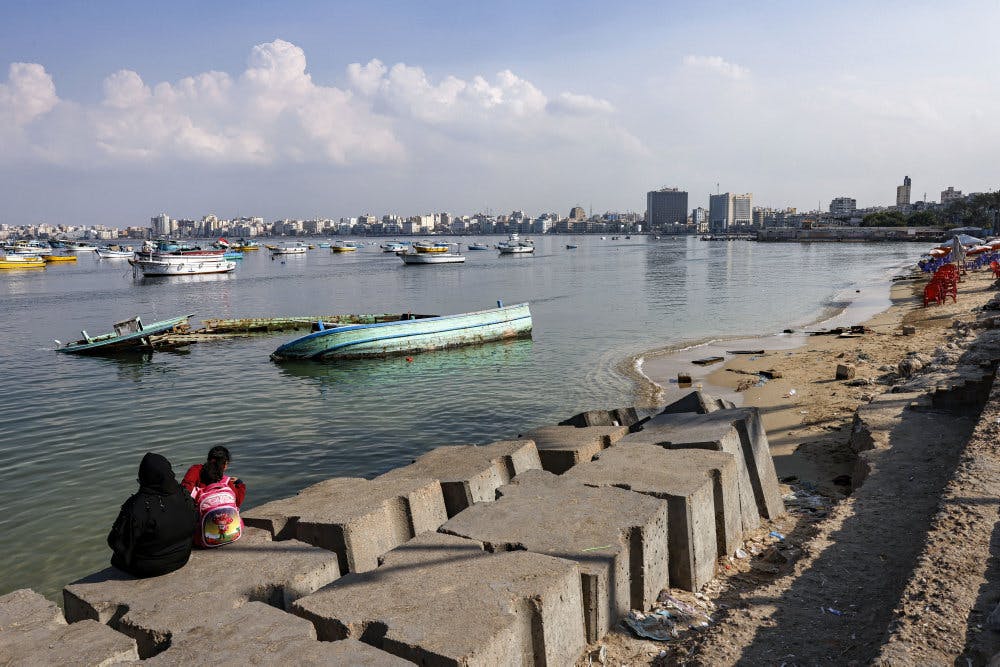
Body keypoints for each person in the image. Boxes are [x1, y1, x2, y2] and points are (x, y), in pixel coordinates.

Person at [107, 452, 198, 577]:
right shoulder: (184, 494)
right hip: (181, 558)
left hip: (150, 568)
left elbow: (115, 541)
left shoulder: (138, 505)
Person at [180, 446, 246, 508]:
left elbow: (185, 488)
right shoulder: (225, 481)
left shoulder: (195, 470)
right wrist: (239, 483)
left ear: (208, 459)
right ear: (225, 464)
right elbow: (237, 501)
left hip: (199, 513)